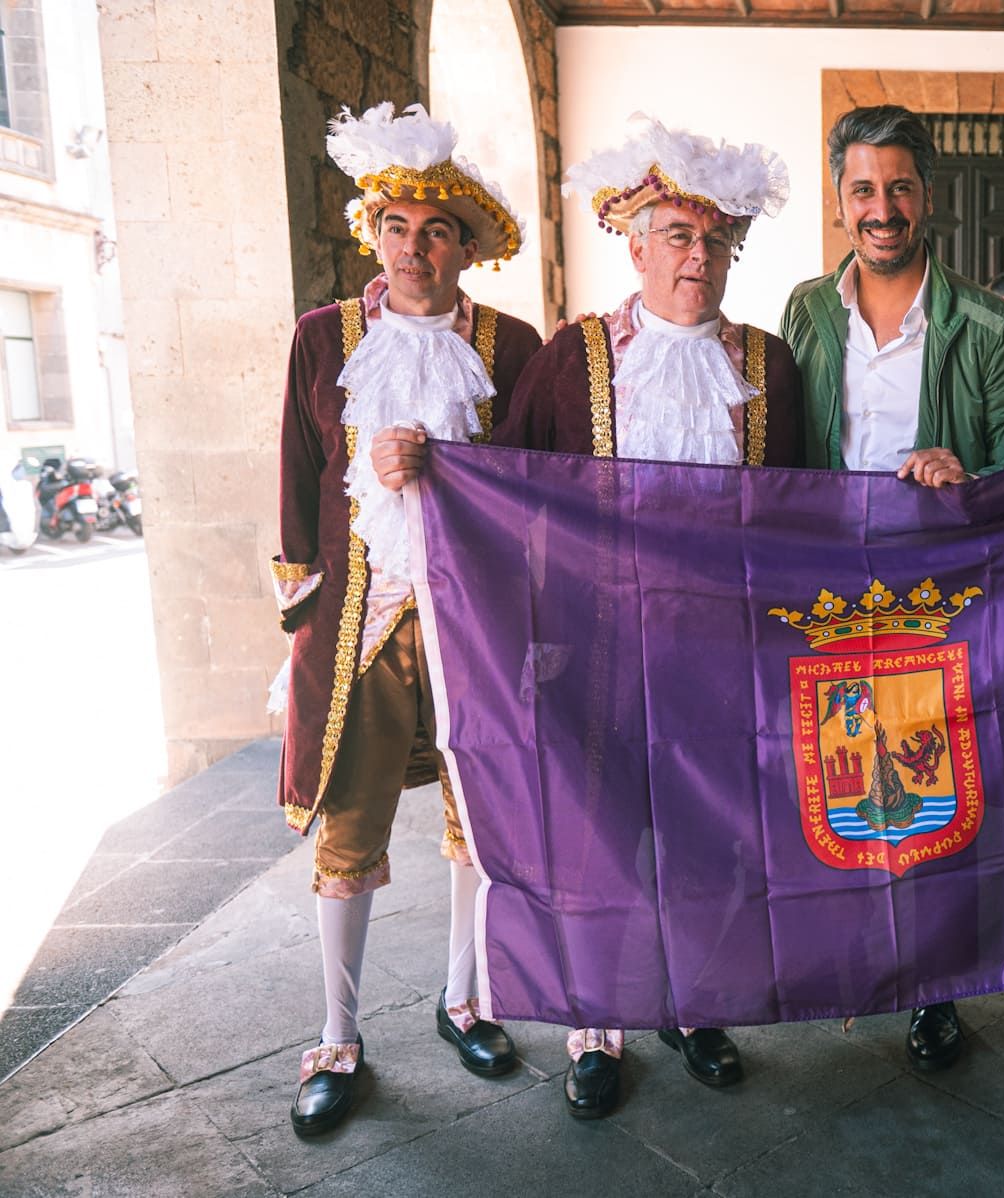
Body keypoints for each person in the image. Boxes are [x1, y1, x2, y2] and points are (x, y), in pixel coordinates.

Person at [375, 116, 803, 1119]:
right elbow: (507, 478)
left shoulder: (773, 366)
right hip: (595, 647)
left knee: (711, 836)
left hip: (722, 649)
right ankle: (597, 1021)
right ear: (636, 245)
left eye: (716, 240)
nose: (698, 257)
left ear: (736, 250)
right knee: (601, 832)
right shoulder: (572, 359)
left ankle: (699, 1003)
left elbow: (807, 501)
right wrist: (427, 470)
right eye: (678, 238)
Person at [272, 102, 542, 1138]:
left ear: (467, 246)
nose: (415, 246)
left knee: (477, 818)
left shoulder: (514, 346)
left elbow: (534, 476)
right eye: (397, 226)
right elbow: (297, 480)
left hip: (476, 622)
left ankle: (464, 997)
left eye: (437, 230)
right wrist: (299, 607)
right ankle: (339, 1035)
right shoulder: (321, 338)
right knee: (349, 824)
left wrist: (454, 467)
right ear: (373, 234)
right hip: (359, 624)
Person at [780, 103, 1004, 1070]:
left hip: (942, 598)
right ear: (840, 199)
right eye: (864, 188)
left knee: (933, 792)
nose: (883, 207)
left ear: (927, 196)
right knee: (837, 782)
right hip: (825, 597)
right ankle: (851, 959)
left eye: (900, 186)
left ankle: (933, 988)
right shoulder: (805, 312)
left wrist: (969, 477)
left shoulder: (992, 324)